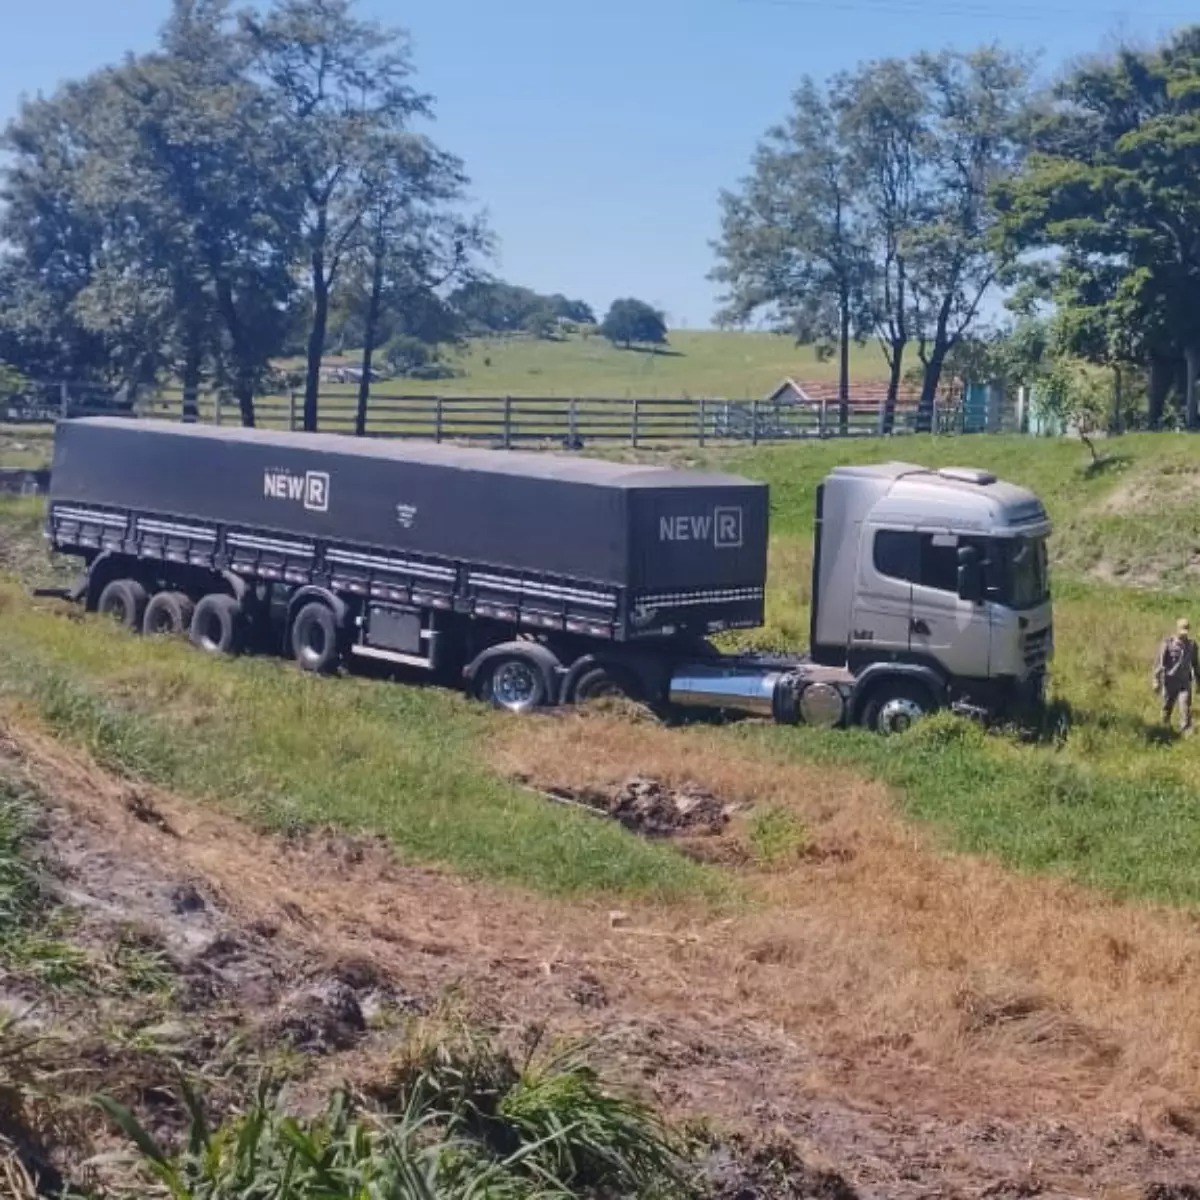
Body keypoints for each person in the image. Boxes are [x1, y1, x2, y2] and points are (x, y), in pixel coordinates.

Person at [1154, 617, 1200, 734]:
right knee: (1167, 707)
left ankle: (1186, 730)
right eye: (1182, 631)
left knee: (1185, 706)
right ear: (1177, 629)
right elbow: (1159, 664)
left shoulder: (1192, 645)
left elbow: (1195, 664)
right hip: (1170, 681)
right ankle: (1164, 728)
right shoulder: (1167, 643)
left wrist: (1198, 682)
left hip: (1185, 682)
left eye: (1186, 632)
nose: (1184, 635)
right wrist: (1156, 680)